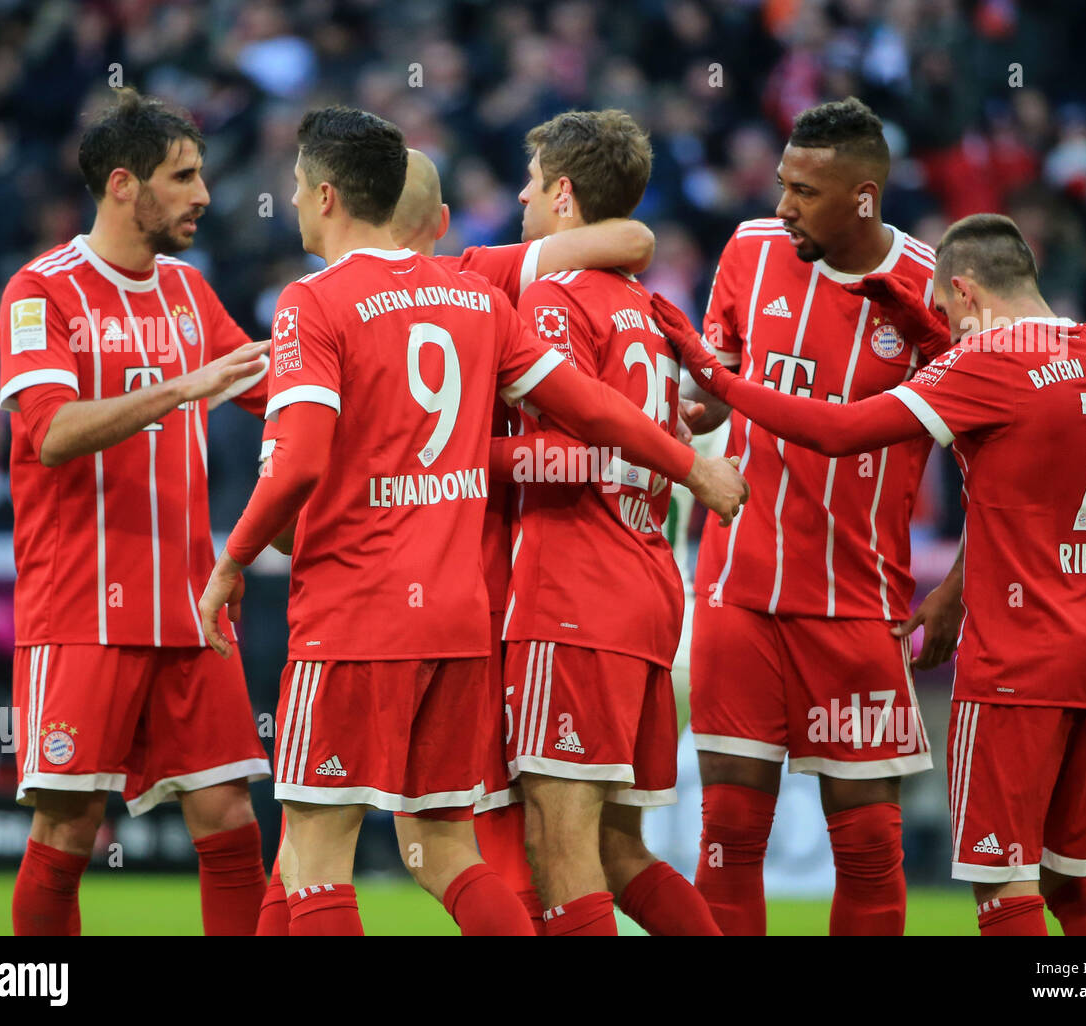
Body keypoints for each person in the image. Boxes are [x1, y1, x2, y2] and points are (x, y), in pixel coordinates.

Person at [198, 106, 747, 936]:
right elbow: (590, 404)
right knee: (449, 850)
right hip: (463, 621)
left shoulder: (313, 300)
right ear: (436, 223)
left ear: (326, 196)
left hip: (364, 610)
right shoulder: (477, 296)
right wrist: (691, 465)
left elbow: (300, 462)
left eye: (299, 189)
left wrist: (233, 557)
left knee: (315, 850)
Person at [658, 212, 1086, 936]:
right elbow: (1020, 483)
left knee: (1003, 889)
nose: (943, 327)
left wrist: (717, 378)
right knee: (1068, 879)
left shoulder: (990, 366)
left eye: (946, 312)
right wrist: (952, 590)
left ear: (967, 294)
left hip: (1017, 658)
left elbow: (838, 430)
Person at [0, 88, 272, 935]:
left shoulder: (193, 292)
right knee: (70, 829)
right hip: (83, 607)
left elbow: (272, 387)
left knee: (230, 821)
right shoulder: (41, 293)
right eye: (184, 176)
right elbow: (51, 433)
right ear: (124, 185)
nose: (204, 194)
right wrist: (179, 388)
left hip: (191, 608)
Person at [679, 97, 955, 935]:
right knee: (726, 837)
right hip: (739, 584)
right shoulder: (748, 251)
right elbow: (711, 390)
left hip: (855, 599)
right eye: (782, 184)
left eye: (804, 191)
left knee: (870, 846)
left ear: (864, 197)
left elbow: (988, 451)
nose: (783, 205)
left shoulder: (929, 287)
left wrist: (961, 588)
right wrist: (695, 408)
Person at [496, 109, 723, 936]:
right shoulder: (647, 307)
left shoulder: (552, 297)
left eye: (531, 180)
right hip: (650, 584)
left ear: (562, 194)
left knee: (560, 849)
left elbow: (569, 450)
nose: (519, 196)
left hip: (574, 592)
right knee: (621, 851)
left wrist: (450, 465)